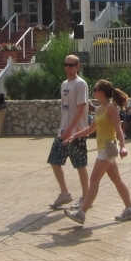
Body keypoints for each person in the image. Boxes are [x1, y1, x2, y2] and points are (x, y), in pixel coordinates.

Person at [63, 80, 131, 225]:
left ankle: (81, 213)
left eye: (95, 90)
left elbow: (118, 128)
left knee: (94, 180)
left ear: (101, 92)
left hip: (107, 149)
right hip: (103, 149)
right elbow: (91, 128)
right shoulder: (101, 108)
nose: (93, 92)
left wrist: (123, 146)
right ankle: (130, 209)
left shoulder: (111, 108)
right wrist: (74, 136)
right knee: (117, 180)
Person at [48, 55, 90, 209]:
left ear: (78, 66)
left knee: (80, 164)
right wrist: (63, 129)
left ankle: (87, 197)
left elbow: (81, 108)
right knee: (54, 160)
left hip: (76, 132)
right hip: (63, 131)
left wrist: (70, 130)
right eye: (65, 65)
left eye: (71, 65)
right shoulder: (64, 84)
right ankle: (64, 193)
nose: (68, 68)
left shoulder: (81, 84)